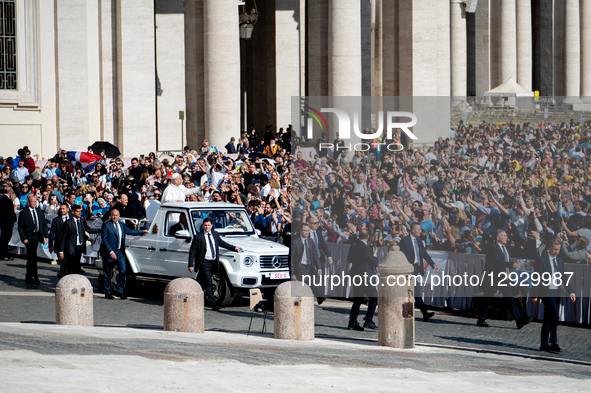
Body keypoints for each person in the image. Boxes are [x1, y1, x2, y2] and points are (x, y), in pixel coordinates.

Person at [475, 229, 532, 329]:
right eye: (504, 236)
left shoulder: (506, 247)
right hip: (493, 277)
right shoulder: (493, 247)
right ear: (498, 238)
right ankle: (481, 319)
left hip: (503, 277)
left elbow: (506, 259)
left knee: (510, 298)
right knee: (487, 299)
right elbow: (497, 261)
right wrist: (511, 265)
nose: (506, 237)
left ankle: (519, 320)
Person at [532, 237, 576, 354]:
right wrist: (535, 295)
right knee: (555, 315)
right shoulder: (543, 260)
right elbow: (536, 278)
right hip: (546, 292)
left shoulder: (560, 260)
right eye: (554, 249)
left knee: (548, 317)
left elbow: (563, 277)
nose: (556, 251)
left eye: (558, 249)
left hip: (556, 291)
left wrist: (571, 291)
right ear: (550, 247)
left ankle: (544, 343)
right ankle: (554, 342)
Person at [187, 217, 242, 310]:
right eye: (205, 225)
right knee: (208, 281)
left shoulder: (215, 234)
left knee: (200, 282)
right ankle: (214, 304)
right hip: (204, 262)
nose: (206, 227)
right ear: (202, 226)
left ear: (211, 226)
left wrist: (234, 248)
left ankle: (190, 295)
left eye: (208, 225)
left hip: (214, 262)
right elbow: (192, 251)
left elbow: (222, 243)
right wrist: (190, 264)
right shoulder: (198, 237)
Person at [100, 209, 147, 299]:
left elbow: (131, 231)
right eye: (113, 215)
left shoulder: (121, 225)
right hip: (110, 252)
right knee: (107, 273)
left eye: (116, 215)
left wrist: (142, 231)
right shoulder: (106, 225)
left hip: (120, 252)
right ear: (111, 215)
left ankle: (119, 290)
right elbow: (105, 240)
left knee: (123, 270)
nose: (114, 217)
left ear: (119, 216)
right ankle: (107, 292)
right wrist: (111, 251)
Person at [400, 223, 440, 321]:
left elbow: (424, 254)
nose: (420, 231)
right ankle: (422, 312)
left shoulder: (419, 241)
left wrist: (433, 264)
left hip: (416, 269)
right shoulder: (405, 241)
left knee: (414, 292)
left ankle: (421, 313)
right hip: (408, 270)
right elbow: (401, 255)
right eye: (418, 229)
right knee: (413, 291)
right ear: (413, 230)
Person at [347, 230, 379, 331]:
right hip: (365, 277)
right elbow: (374, 263)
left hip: (356, 275)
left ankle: (352, 323)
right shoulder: (366, 248)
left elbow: (349, 259)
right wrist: (374, 254)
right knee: (374, 298)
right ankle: (368, 320)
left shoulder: (354, 245)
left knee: (357, 301)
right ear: (368, 237)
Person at [57, 204, 100, 276]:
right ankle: (64, 277)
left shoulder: (82, 220)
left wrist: (101, 229)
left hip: (79, 247)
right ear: (73, 212)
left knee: (77, 265)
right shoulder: (68, 223)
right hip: (71, 248)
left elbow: (88, 229)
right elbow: (63, 238)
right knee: (69, 266)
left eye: (80, 211)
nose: (80, 213)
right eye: (78, 211)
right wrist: (61, 251)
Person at [17, 194, 48, 284]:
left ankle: (29, 276)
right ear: (29, 202)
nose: (34, 203)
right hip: (29, 237)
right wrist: (24, 238)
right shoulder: (24, 212)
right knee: (33, 256)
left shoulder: (39, 211)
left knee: (31, 257)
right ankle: (35, 276)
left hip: (37, 235)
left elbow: (44, 224)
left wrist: (46, 236)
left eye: (35, 201)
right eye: (33, 202)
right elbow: (20, 227)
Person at [48, 203, 70, 278]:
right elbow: (51, 233)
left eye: (63, 208)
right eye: (61, 208)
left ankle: (62, 275)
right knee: (63, 263)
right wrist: (50, 245)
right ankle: (63, 277)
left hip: (69, 245)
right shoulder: (56, 220)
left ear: (68, 209)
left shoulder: (71, 219)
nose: (62, 210)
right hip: (59, 245)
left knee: (67, 264)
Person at [0, 185, 17, 261]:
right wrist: (14, 218)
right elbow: (11, 212)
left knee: (3, 238)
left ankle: (2, 254)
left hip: (2, 222)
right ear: (10, 192)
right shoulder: (8, 201)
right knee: (6, 239)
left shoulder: (1, 199)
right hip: (8, 222)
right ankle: (5, 255)